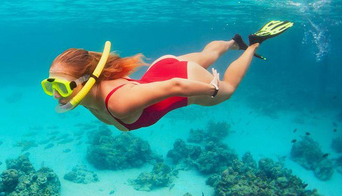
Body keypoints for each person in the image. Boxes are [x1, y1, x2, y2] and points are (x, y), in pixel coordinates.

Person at [42, 21, 293, 131]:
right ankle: (232, 42)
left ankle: (252, 44)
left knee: (229, 89)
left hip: (179, 80)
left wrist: (211, 89)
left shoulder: (118, 102)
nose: (55, 94)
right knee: (206, 56)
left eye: (62, 87)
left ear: (88, 80)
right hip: (162, 69)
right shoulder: (86, 94)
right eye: (49, 85)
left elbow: (174, 86)